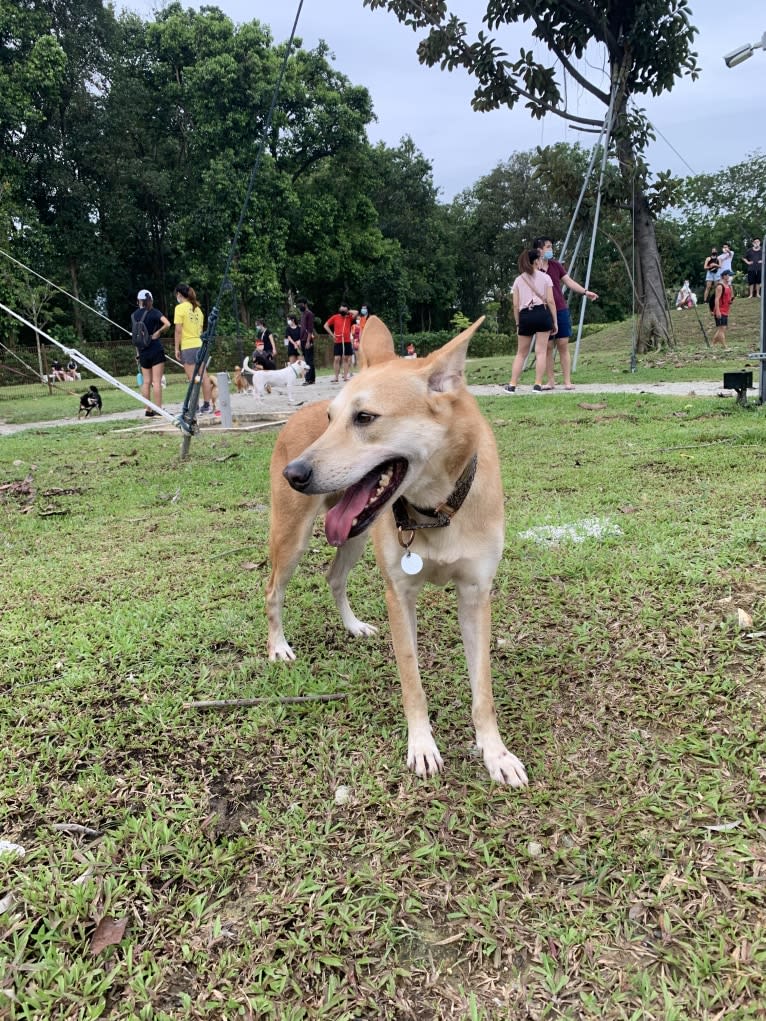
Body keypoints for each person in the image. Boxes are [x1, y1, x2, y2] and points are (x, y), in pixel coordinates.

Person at [534, 236, 599, 390]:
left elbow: (569, 282)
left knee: (563, 344)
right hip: (543, 311)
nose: (551, 250)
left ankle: (567, 381)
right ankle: (550, 381)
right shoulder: (533, 269)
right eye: (548, 247)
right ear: (539, 250)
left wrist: (585, 292)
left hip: (561, 309)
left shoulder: (556, 265)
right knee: (548, 347)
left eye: (551, 246)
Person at [503, 248, 558, 393]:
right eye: (540, 259)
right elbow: (551, 301)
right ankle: (538, 385)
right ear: (536, 261)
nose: (541, 261)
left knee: (521, 353)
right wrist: (555, 321)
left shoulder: (518, 280)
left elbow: (515, 304)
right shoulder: (546, 278)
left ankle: (512, 384)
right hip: (542, 314)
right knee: (540, 352)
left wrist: (518, 323)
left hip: (525, 315)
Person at [173, 282, 213, 414]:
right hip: (199, 345)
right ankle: (207, 405)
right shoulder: (198, 309)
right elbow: (201, 331)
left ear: (179, 295)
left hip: (188, 346)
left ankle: (194, 407)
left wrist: (177, 348)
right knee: (203, 376)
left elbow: (178, 330)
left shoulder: (180, 308)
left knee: (192, 378)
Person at [132, 289, 170, 417]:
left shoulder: (134, 315)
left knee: (146, 382)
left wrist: (138, 353)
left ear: (139, 301)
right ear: (150, 300)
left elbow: (136, 336)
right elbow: (167, 324)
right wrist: (158, 332)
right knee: (157, 382)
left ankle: (148, 409)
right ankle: (158, 409)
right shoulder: (154, 312)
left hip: (143, 351)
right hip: (155, 349)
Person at [324, 300, 359, 382]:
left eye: (344, 308)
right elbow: (325, 325)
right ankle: (336, 377)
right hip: (338, 341)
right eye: (341, 308)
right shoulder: (335, 317)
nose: (342, 310)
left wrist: (348, 311)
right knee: (337, 358)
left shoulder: (349, 317)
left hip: (347, 341)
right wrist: (332, 335)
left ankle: (345, 377)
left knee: (346, 359)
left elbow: (356, 312)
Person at [710, 268, 734, 348]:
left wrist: (730, 301)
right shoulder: (720, 286)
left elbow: (726, 297)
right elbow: (716, 299)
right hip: (720, 309)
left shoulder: (728, 286)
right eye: (729, 275)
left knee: (722, 328)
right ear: (724, 276)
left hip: (726, 309)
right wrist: (717, 311)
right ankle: (725, 346)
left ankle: (712, 344)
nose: (730, 277)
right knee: (722, 328)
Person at [297, 296, 316, 385]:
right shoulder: (303, 314)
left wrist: (308, 341)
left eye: (301, 305)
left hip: (308, 339)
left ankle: (309, 379)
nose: (300, 306)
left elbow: (310, 329)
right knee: (306, 359)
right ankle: (311, 378)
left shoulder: (309, 314)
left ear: (305, 304)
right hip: (303, 339)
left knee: (309, 360)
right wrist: (301, 341)